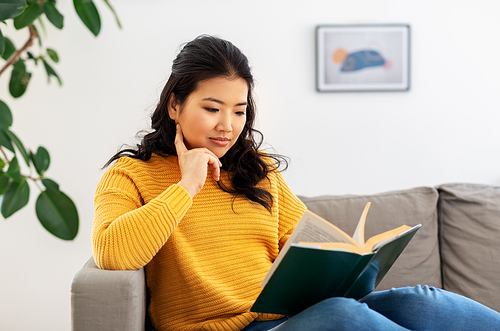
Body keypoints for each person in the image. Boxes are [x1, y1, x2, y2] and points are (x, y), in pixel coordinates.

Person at [92, 35, 500, 331]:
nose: (227, 126)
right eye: (212, 108)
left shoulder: (258, 170)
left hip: (292, 316)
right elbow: (114, 254)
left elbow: (308, 241)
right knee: (343, 317)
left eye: (238, 111)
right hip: (226, 329)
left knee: (422, 301)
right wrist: (187, 186)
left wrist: (350, 261)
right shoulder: (132, 174)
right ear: (175, 105)